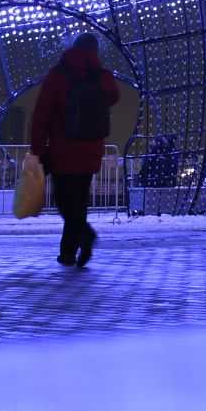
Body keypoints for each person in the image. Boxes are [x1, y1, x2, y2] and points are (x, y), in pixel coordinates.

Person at [30, 32, 121, 267]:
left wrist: (39, 150)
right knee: (79, 203)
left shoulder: (58, 76)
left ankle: (85, 235)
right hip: (91, 151)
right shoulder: (103, 77)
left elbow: (41, 116)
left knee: (64, 203)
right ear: (95, 51)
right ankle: (68, 252)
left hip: (62, 150)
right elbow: (113, 96)